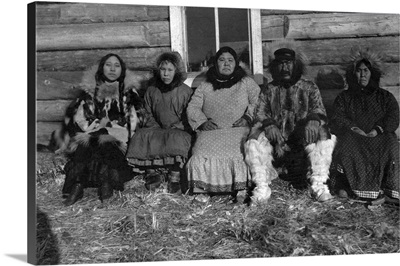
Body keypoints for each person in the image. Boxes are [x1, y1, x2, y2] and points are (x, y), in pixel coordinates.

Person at [244, 47, 336, 203]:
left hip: (302, 142)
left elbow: (319, 110)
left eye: (288, 63)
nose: (284, 68)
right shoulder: (269, 90)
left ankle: (319, 185)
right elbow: (259, 113)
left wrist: (314, 119)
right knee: (254, 136)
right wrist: (268, 124)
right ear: (275, 66)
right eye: (280, 64)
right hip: (277, 145)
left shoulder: (309, 87)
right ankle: (262, 186)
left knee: (323, 132)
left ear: (296, 65)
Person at [61, 53, 142, 206]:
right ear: (101, 68)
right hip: (93, 133)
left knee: (104, 138)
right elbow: (80, 118)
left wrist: (113, 128)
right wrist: (95, 126)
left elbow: (134, 120)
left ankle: (101, 184)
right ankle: (79, 185)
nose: (112, 69)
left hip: (119, 137)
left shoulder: (128, 93)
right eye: (108, 65)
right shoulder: (91, 92)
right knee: (95, 138)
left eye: (116, 66)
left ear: (122, 70)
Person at [186, 46, 261, 202]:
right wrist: (202, 122)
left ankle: (242, 188)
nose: (226, 64)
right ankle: (202, 189)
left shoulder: (246, 82)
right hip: (212, 130)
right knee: (199, 153)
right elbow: (193, 106)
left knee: (241, 152)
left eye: (230, 60)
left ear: (236, 64)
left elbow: (258, 101)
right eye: (221, 60)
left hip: (239, 129)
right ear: (215, 64)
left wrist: (247, 117)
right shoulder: (206, 85)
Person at [330, 48, 399, 205]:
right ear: (353, 74)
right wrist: (354, 129)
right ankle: (345, 187)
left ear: (372, 72)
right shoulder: (345, 97)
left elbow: (393, 117)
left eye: (366, 71)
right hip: (355, 137)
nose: (362, 75)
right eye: (359, 71)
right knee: (346, 144)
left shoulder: (385, 97)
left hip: (378, 137)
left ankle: (387, 189)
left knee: (391, 143)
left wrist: (377, 130)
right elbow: (338, 117)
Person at [125, 51, 193, 194]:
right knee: (142, 136)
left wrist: (178, 126)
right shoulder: (152, 90)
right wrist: (154, 125)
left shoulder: (185, 91)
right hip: (157, 127)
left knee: (176, 139)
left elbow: (190, 114)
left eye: (170, 70)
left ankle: (174, 175)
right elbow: (147, 112)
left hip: (178, 128)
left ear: (177, 71)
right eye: (163, 70)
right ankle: (152, 173)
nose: (166, 74)